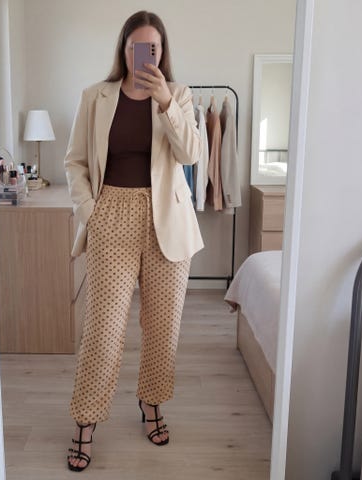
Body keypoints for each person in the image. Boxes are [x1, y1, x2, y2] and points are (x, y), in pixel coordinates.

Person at [64, 10, 204, 472]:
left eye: (153, 48)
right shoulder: (96, 96)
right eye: (136, 46)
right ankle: (85, 420)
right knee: (102, 329)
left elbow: (191, 154)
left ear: (162, 52)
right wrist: (91, 211)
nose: (145, 55)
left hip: (168, 221)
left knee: (163, 327)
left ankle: (152, 403)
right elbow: (74, 162)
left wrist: (165, 103)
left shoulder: (178, 95)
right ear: (124, 49)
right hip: (111, 216)